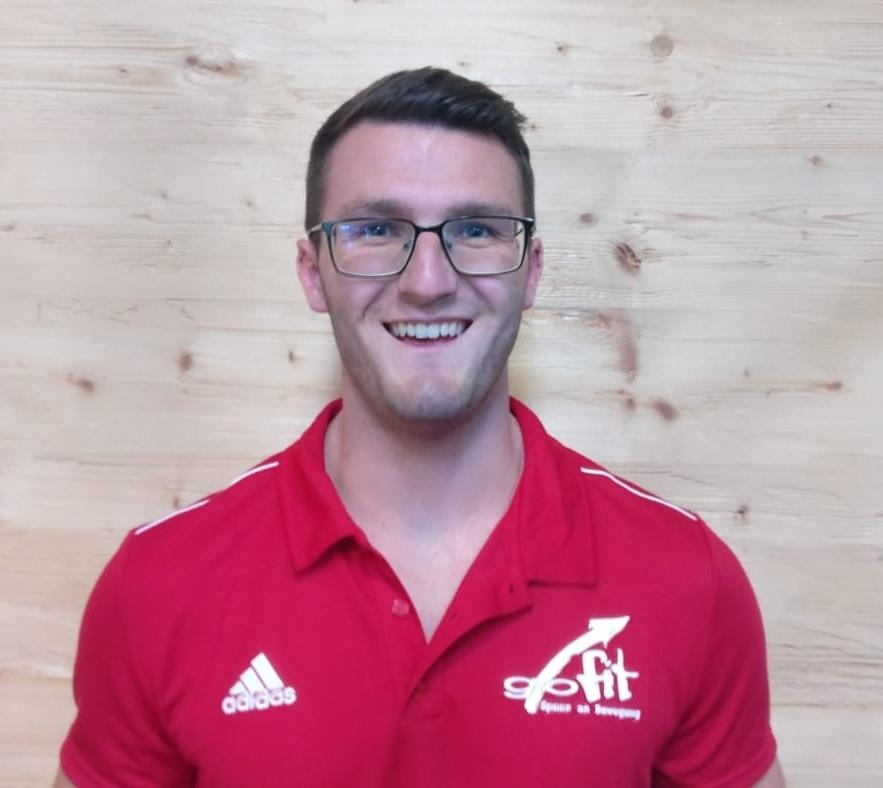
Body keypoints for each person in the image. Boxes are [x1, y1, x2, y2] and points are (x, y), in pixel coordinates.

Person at [56, 67, 785, 787]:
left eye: (476, 230)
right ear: (312, 271)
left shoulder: (687, 580)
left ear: (531, 271)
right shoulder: (159, 585)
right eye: (375, 229)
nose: (427, 281)